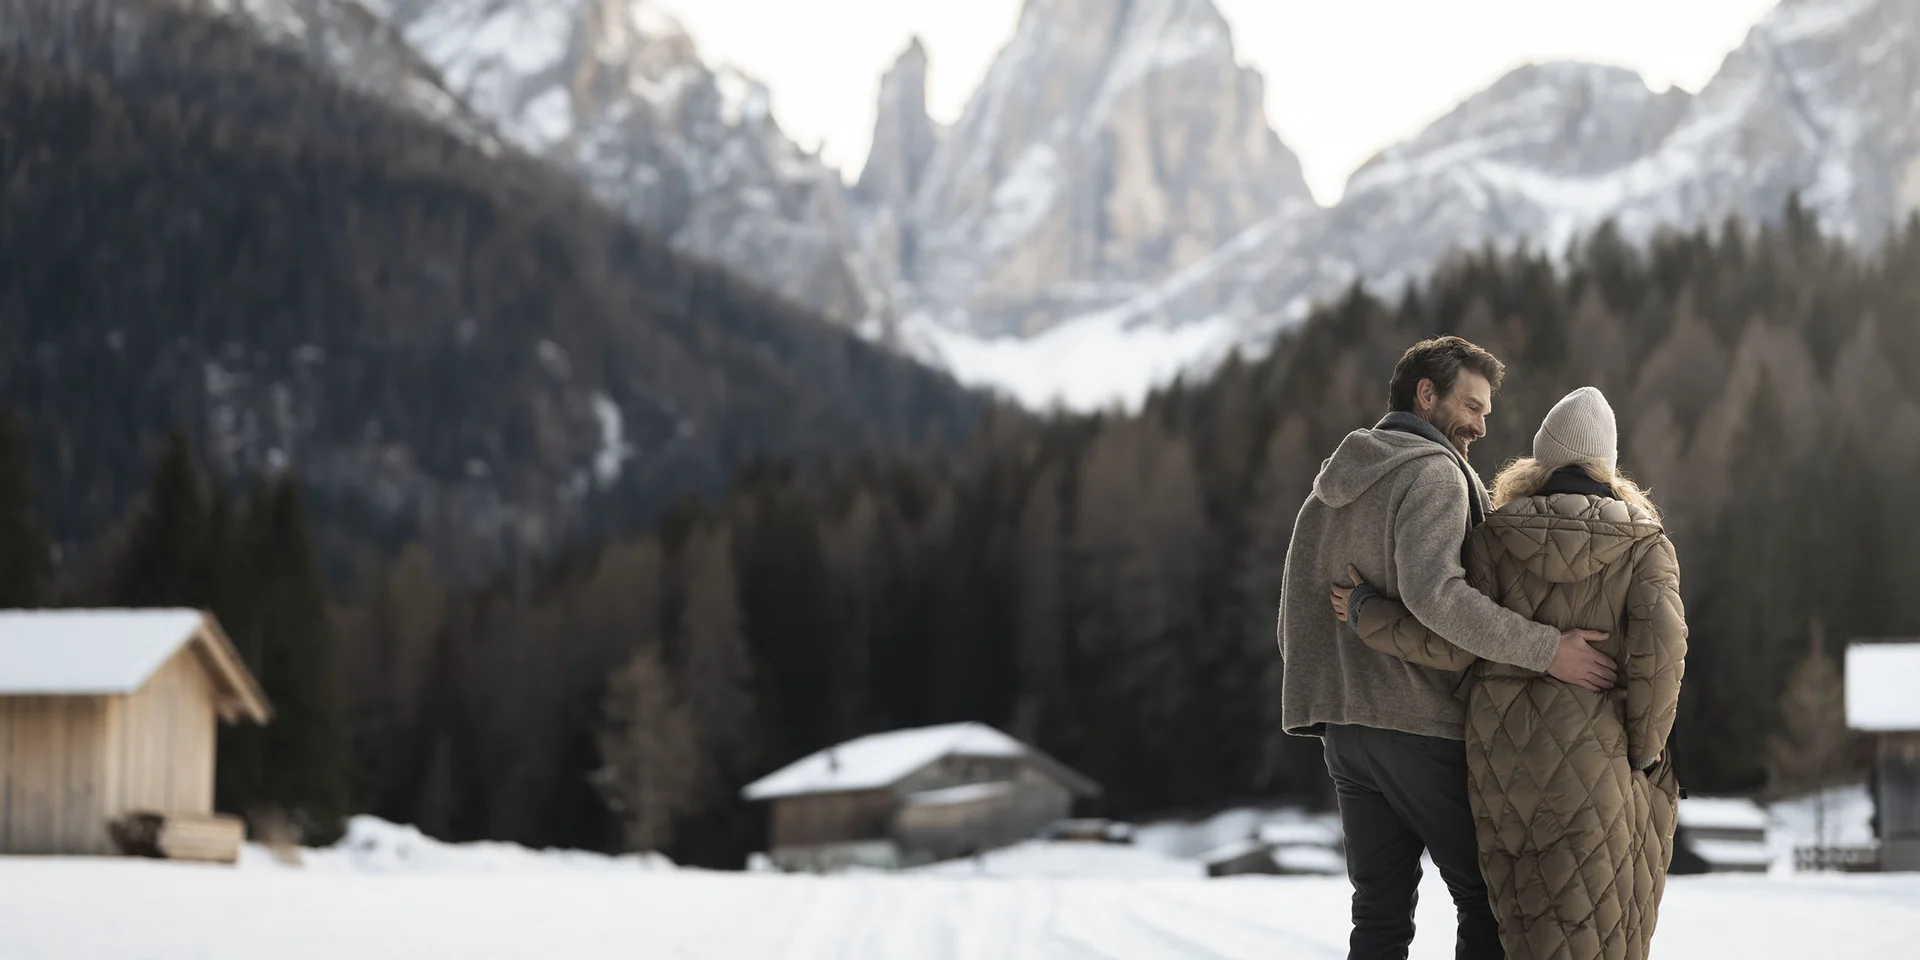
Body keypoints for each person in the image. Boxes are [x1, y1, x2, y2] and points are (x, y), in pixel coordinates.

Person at [1277, 336, 1618, 960]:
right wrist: (1548, 649)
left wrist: (1326, 692)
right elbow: (1440, 597)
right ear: (1425, 395)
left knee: (1379, 919)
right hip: (1419, 724)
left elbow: (1297, 602)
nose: (1483, 426)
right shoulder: (1431, 474)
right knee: (1488, 899)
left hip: (1347, 732)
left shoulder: (1335, 483)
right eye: (1472, 406)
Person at [1333, 386, 1688, 960]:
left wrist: (1367, 614)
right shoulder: (1643, 544)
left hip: (1500, 765)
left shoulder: (1495, 535)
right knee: (1591, 931)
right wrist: (1645, 751)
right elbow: (1662, 658)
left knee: (1514, 925)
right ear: (1608, 462)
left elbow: (1454, 639)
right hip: (1600, 760)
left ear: (1541, 458)